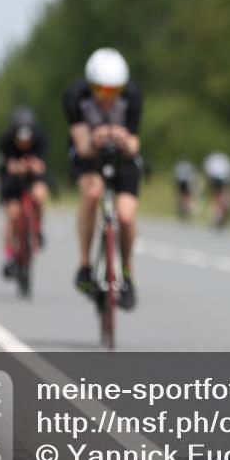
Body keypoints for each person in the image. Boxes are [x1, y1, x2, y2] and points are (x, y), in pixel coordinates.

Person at [63, 47, 142, 310]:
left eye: (113, 91)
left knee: (127, 216)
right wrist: (96, 139)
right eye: (101, 91)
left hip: (122, 158)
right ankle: (85, 265)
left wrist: (123, 140)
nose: (107, 98)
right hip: (89, 156)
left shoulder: (132, 95)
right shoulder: (76, 96)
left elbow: (134, 144)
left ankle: (127, 273)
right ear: (90, 85)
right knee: (92, 193)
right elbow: (82, 145)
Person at [0, 107, 50, 277]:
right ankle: (10, 255)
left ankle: (37, 229)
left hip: (33, 178)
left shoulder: (40, 140)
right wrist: (15, 167)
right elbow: (4, 165)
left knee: (40, 195)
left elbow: (42, 164)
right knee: (13, 214)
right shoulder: (5, 142)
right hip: (12, 182)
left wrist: (34, 167)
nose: (24, 141)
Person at [202, 151, 230, 228]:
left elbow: (207, 171)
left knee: (216, 196)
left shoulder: (211, 158)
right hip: (224, 178)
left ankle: (216, 215)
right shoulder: (224, 158)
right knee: (223, 196)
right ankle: (220, 215)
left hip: (215, 178)